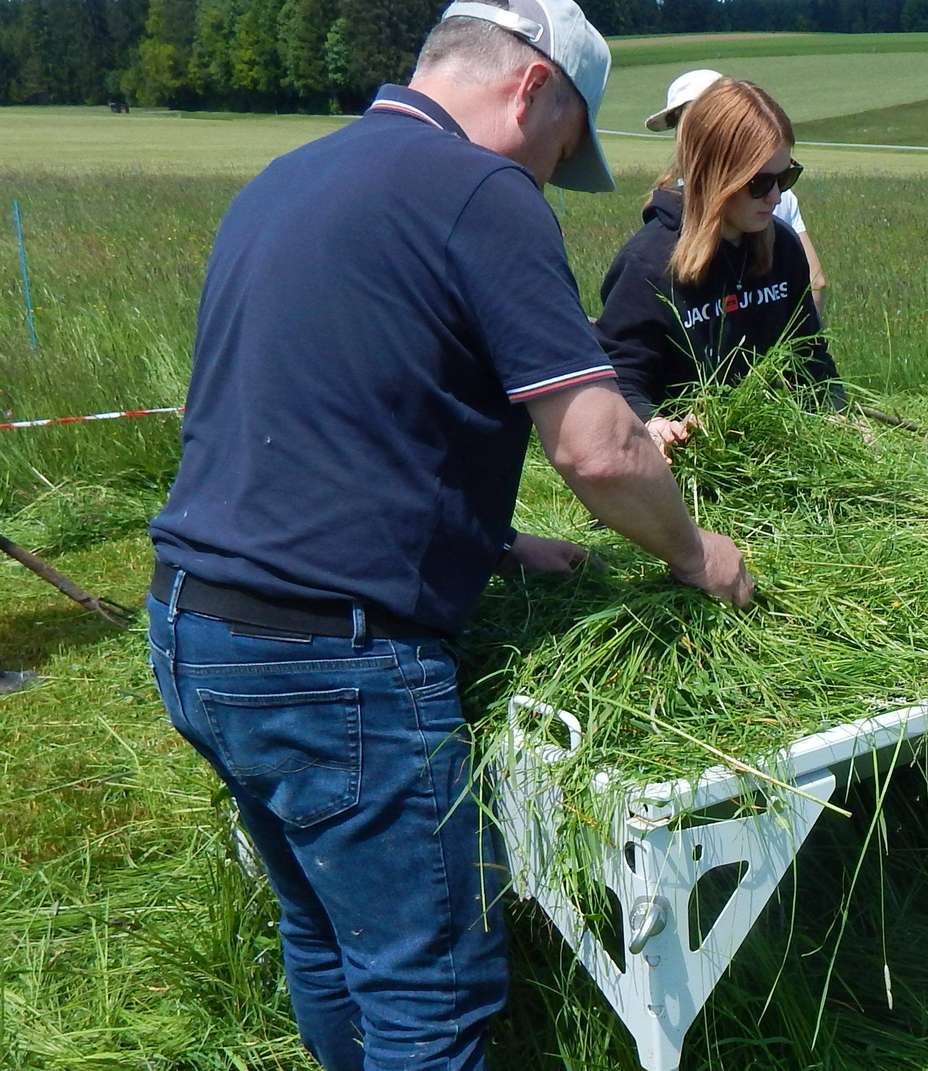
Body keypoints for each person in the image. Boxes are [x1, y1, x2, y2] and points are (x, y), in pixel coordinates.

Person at [144, 1, 753, 1067]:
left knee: (329, 933)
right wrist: (698, 553)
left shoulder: (288, 179)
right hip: (331, 662)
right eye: (562, 146)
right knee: (428, 990)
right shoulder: (480, 191)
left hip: (195, 631)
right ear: (533, 88)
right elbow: (599, 448)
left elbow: (308, 419)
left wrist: (497, 544)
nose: (547, 176)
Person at [597, 78, 841, 460]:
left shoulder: (784, 250)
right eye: (760, 183)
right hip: (684, 467)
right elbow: (618, 380)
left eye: (786, 177)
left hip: (771, 458)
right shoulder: (647, 265)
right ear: (715, 174)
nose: (776, 196)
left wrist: (839, 416)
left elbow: (811, 358)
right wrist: (654, 424)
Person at [647, 69, 828, 317]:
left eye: (785, 178)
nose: (775, 196)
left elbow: (814, 284)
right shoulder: (647, 256)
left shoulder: (784, 238)